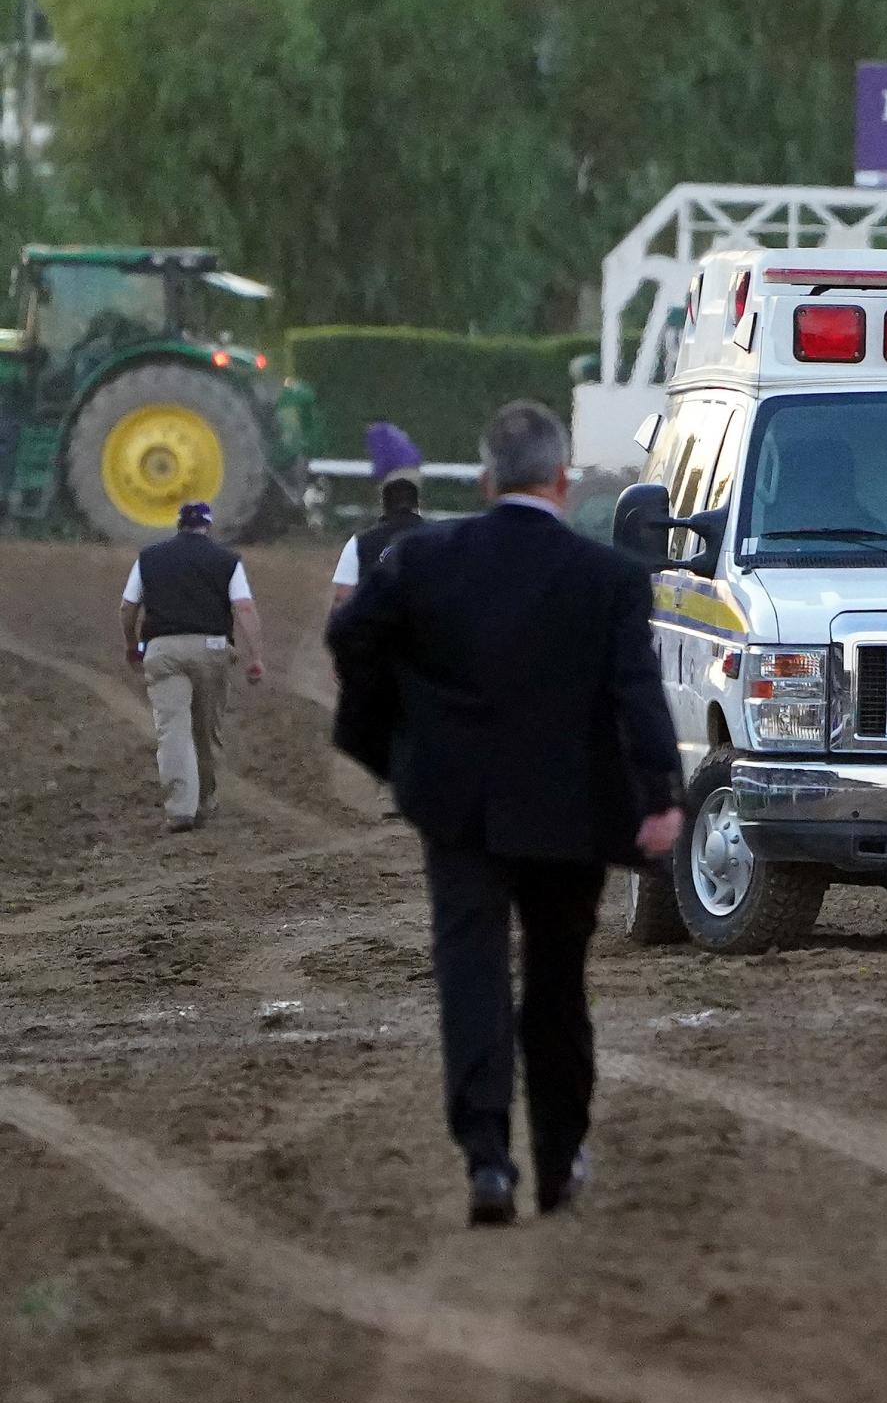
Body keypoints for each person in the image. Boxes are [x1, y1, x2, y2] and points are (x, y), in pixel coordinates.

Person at [327, 401, 683, 1226]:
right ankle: (559, 1157)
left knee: (471, 971)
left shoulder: (425, 561)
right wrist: (661, 795)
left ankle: (488, 1160)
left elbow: (352, 638)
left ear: (486, 481)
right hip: (571, 811)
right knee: (558, 983)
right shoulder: (610, 580)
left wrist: (396, 738)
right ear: (561, 480)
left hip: (458, 804)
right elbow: (638, 692)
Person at [118, 501, 264, 832]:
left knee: (172, 730)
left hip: (162, 649)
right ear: (208, 527)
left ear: (179, 524)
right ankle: (205, 800)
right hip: (211, 649)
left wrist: (131, 645)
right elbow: (244, 608)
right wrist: (256, 656)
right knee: (206, 730)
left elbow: (127, 608)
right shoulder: (227, 560)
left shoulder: (149, 558)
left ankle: (180, 809)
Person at [329, 421, 429, 611]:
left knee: (394, 501)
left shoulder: (375, 434)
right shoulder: (392, 431)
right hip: (413, 468)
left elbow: (381, 460)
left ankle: (387, 528)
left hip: (400, 471)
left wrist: (376, 477)